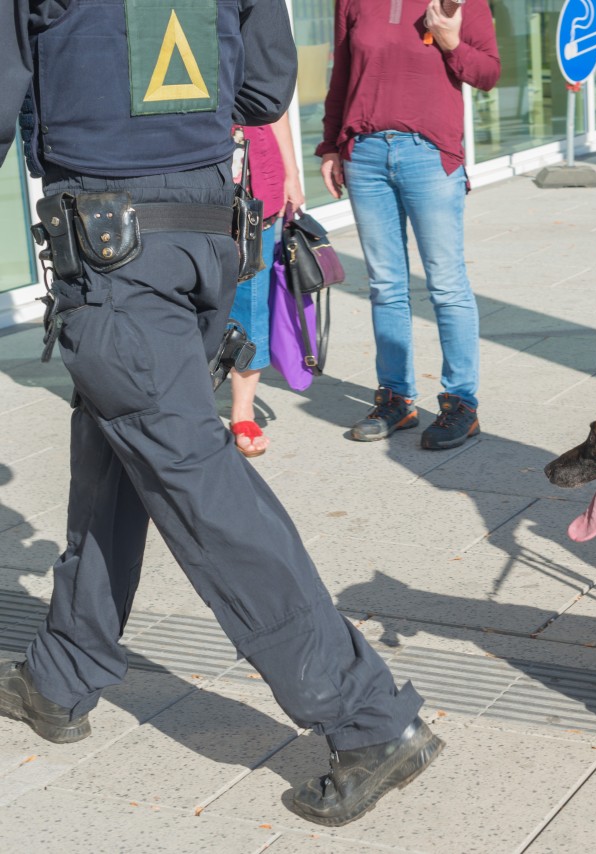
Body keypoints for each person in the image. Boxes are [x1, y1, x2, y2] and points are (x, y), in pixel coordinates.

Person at [0, 0, 440, 826]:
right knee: (116, 451)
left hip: (112, 254)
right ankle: (59, 677)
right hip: (203, 240)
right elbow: (266, 89)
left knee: (197, 484)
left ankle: (367, 718)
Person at [319, 0, 500, 448]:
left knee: (446, 283)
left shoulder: (458, 2)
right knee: (385, 284)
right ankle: (396, 399)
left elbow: (489, 74)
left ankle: (461, 403)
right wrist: (329, 145)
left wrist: (451, 41)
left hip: (429, 154)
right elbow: (341, 74)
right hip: (366, 154)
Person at [228, 115, 305, 458]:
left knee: (252, 299)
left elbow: (278, 108)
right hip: (192, 181)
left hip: (257, 178)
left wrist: (292, 174)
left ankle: (242, 413)